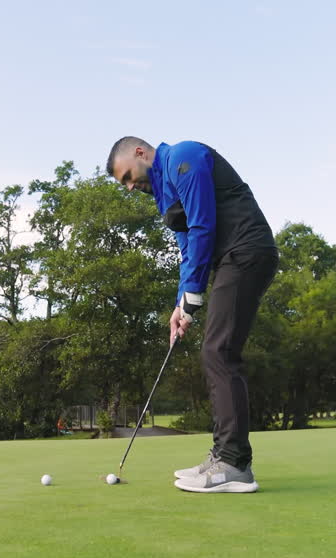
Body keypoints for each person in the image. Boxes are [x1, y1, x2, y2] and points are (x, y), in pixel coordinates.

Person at [106, 137, 279, 493]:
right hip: (231, 260)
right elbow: (187, 250)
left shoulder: (184, 156)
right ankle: (223, 456)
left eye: (126, 176)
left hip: (247, 251)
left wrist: (194, 294)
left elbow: (203, 225)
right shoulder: (163, 195)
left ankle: (233, 464)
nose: (129, 186)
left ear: (140, 153)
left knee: (219, 352)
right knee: (217, 351)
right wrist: (180, 305)